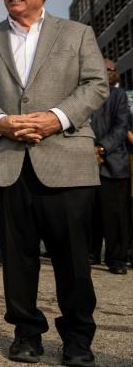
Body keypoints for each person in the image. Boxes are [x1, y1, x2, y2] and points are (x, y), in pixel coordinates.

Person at [0, 0, 107, 366]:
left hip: (66, 161)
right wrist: (0, 122)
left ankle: (78, 338)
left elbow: (97, 84)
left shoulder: (77, 34)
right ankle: (26, 334)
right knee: (18, 259)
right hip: (8, 162)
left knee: (73, 259)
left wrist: (55, 118)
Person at [89, 58, 130, 275]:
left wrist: (101, 149)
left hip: (112, 164)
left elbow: (121, 127)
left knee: (116, 216)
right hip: (86, 162)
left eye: (110, 70)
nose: (105, 73)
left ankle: (116, 259)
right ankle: (91, 253)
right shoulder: (86, 95)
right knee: (90, 212)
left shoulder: (119, 96)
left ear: (116, 74)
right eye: (101, 69)